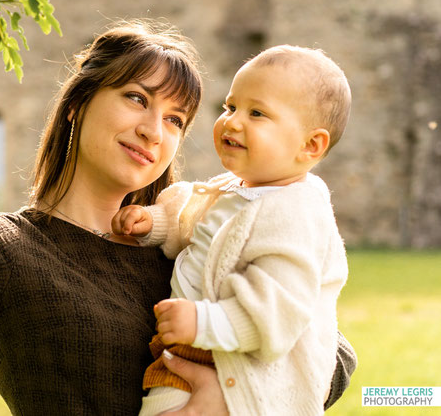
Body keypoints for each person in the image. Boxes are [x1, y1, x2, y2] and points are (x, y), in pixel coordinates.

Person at [0, 0, 356, 415]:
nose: (155, 129)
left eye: (176, 120)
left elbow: (333, 356)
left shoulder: (195, 240)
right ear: (79, 104)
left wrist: (233, 396)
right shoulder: (9, 254)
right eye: (136, 98)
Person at [112, 45, 354, 415]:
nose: (233, 121)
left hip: (243, 375)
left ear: (310, 145)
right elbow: (195, 223)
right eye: (230, 107)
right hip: (194, 352)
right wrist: (155, 224)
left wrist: (202, 321)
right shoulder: (237, 190)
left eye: (256, 113)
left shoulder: (295, 214)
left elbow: (276, 314)